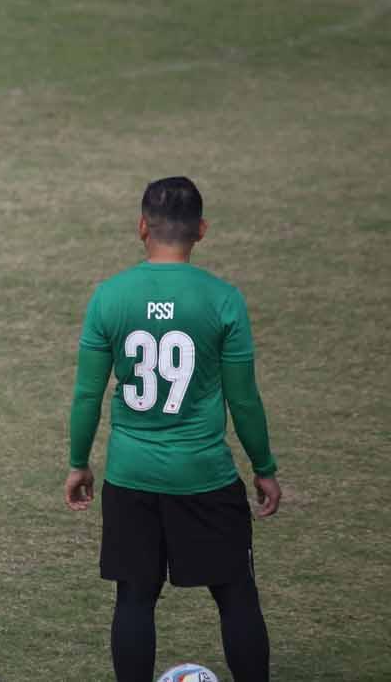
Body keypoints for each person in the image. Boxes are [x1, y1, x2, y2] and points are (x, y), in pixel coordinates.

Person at [66, 177, 279, 682]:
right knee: (236, 595)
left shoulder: (109, 297)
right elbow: (244, 399)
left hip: (131, 476)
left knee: (135, 598)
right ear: (201, 230)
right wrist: (264, 467)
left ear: (142, 226)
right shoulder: (223, 300)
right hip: (203, 475)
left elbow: (86, 396)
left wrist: (79, 462)